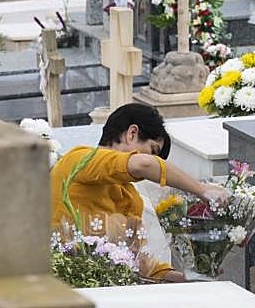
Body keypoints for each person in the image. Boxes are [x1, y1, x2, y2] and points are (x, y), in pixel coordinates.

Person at [50, 104, 228, 282]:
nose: (152, 170)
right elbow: (143, 164)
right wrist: (202, 189)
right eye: (152, 151)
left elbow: (142, 265)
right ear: (132, 133)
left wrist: (191, 279)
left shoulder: (130, 195)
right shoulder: (79, 159)